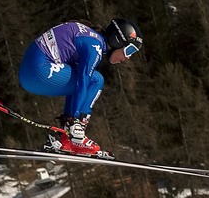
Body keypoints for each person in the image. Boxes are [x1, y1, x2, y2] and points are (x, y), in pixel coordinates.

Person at [18, 18, 142, 156]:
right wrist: (75, 120)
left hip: (30, 71)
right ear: (117, 40)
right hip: (38, 72)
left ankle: (69, 137)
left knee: (83, 75)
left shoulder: (90, 36)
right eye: (129, 49)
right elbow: (83, 81)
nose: (128, 57)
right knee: (96, 80)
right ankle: (76, 135)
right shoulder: (95, 46)